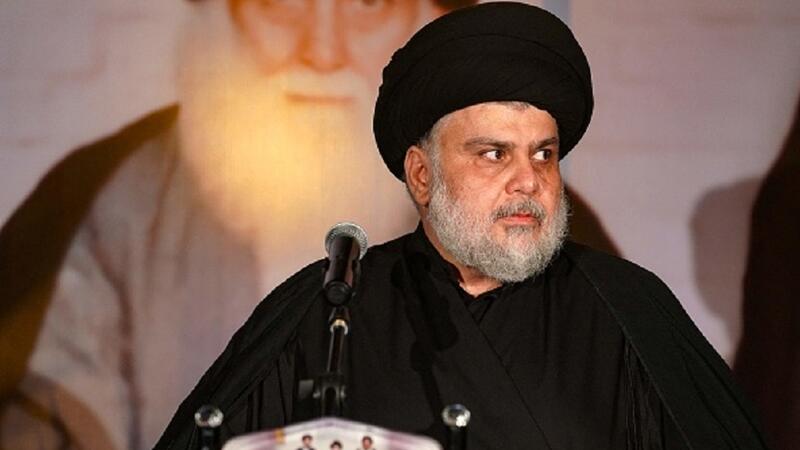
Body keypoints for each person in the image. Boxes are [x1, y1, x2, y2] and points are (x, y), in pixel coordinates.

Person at [154, 3, 768, 450]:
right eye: (494, 154)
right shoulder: (328, 310)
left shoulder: (629, 308)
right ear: (422, 176)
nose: (528, 181)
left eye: (544, 155)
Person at [0, 1, 478, 449]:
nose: (322, 53)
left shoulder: (498, 205)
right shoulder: (118, 199)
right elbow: (50, 418)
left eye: (369, 3)